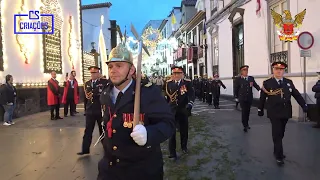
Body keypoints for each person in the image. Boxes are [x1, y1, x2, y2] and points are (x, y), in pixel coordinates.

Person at [97, 43, 175, 180]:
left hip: (141, 171)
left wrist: (149, 133)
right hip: (109, 170)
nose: (113, 70)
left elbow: (168, 124)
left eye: (119, 66)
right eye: (110, 66)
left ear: (132, 69)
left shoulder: (148, 93)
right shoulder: (105, 92)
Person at [258, 61, 308, 166]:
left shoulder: (288, 82)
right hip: (274, 112)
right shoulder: (267, 83)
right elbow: (263, 97)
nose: (279, 71)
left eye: (281, 69)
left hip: (285, 112)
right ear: (273, 70)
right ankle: (279, 156)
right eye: (276, 69)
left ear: (284, 71)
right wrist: (260, 109)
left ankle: (277, 150)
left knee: (281, 133)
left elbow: (296, 95)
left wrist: (304, 105)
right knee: (276, 133)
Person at [166, 66, 195, 160]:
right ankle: (172, 152)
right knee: (171, 132)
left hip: (183, 109)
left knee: (184, 130)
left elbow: (191, 94)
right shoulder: (168, 84)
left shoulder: (187, 83)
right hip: (172, 110)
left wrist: (190, 104)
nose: (176, 75)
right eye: (174, 73)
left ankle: (184, 147)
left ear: (182, 74)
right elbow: (166, 96)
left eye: (178, 73)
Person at [77, 66, 108, 155]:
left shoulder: (104, 82)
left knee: (102, 131)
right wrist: (86, 110)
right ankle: (85, 149)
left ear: (98, 73)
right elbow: (86, 98)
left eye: (95, 73)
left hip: (100, 110)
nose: (93, 75)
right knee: (88, 130)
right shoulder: (87, 83)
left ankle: (107, 149)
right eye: (91, 73)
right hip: (90, 110)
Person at [234, 65, 260, 132]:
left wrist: (260, 89)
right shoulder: (238, 79)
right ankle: (244, 125)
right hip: (242, 98)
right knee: (244, 111)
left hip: (249, 97)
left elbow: (255, 85)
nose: (246, 71)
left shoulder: (251, 78)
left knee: (248, 111)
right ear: (241, 71)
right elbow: (236, 89)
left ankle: (247, 123)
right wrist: (236, 97)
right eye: (244, 70)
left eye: (246, 70)